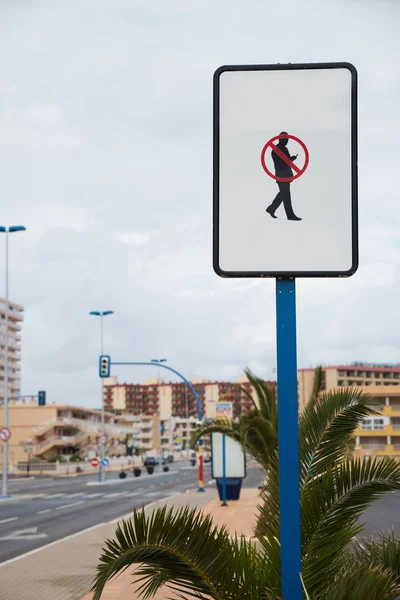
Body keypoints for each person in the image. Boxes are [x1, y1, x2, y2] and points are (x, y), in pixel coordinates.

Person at [266, 131, 301, 221]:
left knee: (284, 194)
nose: (287, 141)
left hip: (280, 175)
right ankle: (288, 214)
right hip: (284, 175)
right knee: (285, 194)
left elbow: (283, 161)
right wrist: (293, 158)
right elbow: (287, 161)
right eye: (286, 139)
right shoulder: (283, 149)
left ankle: (272, 209)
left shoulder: (275, 149)